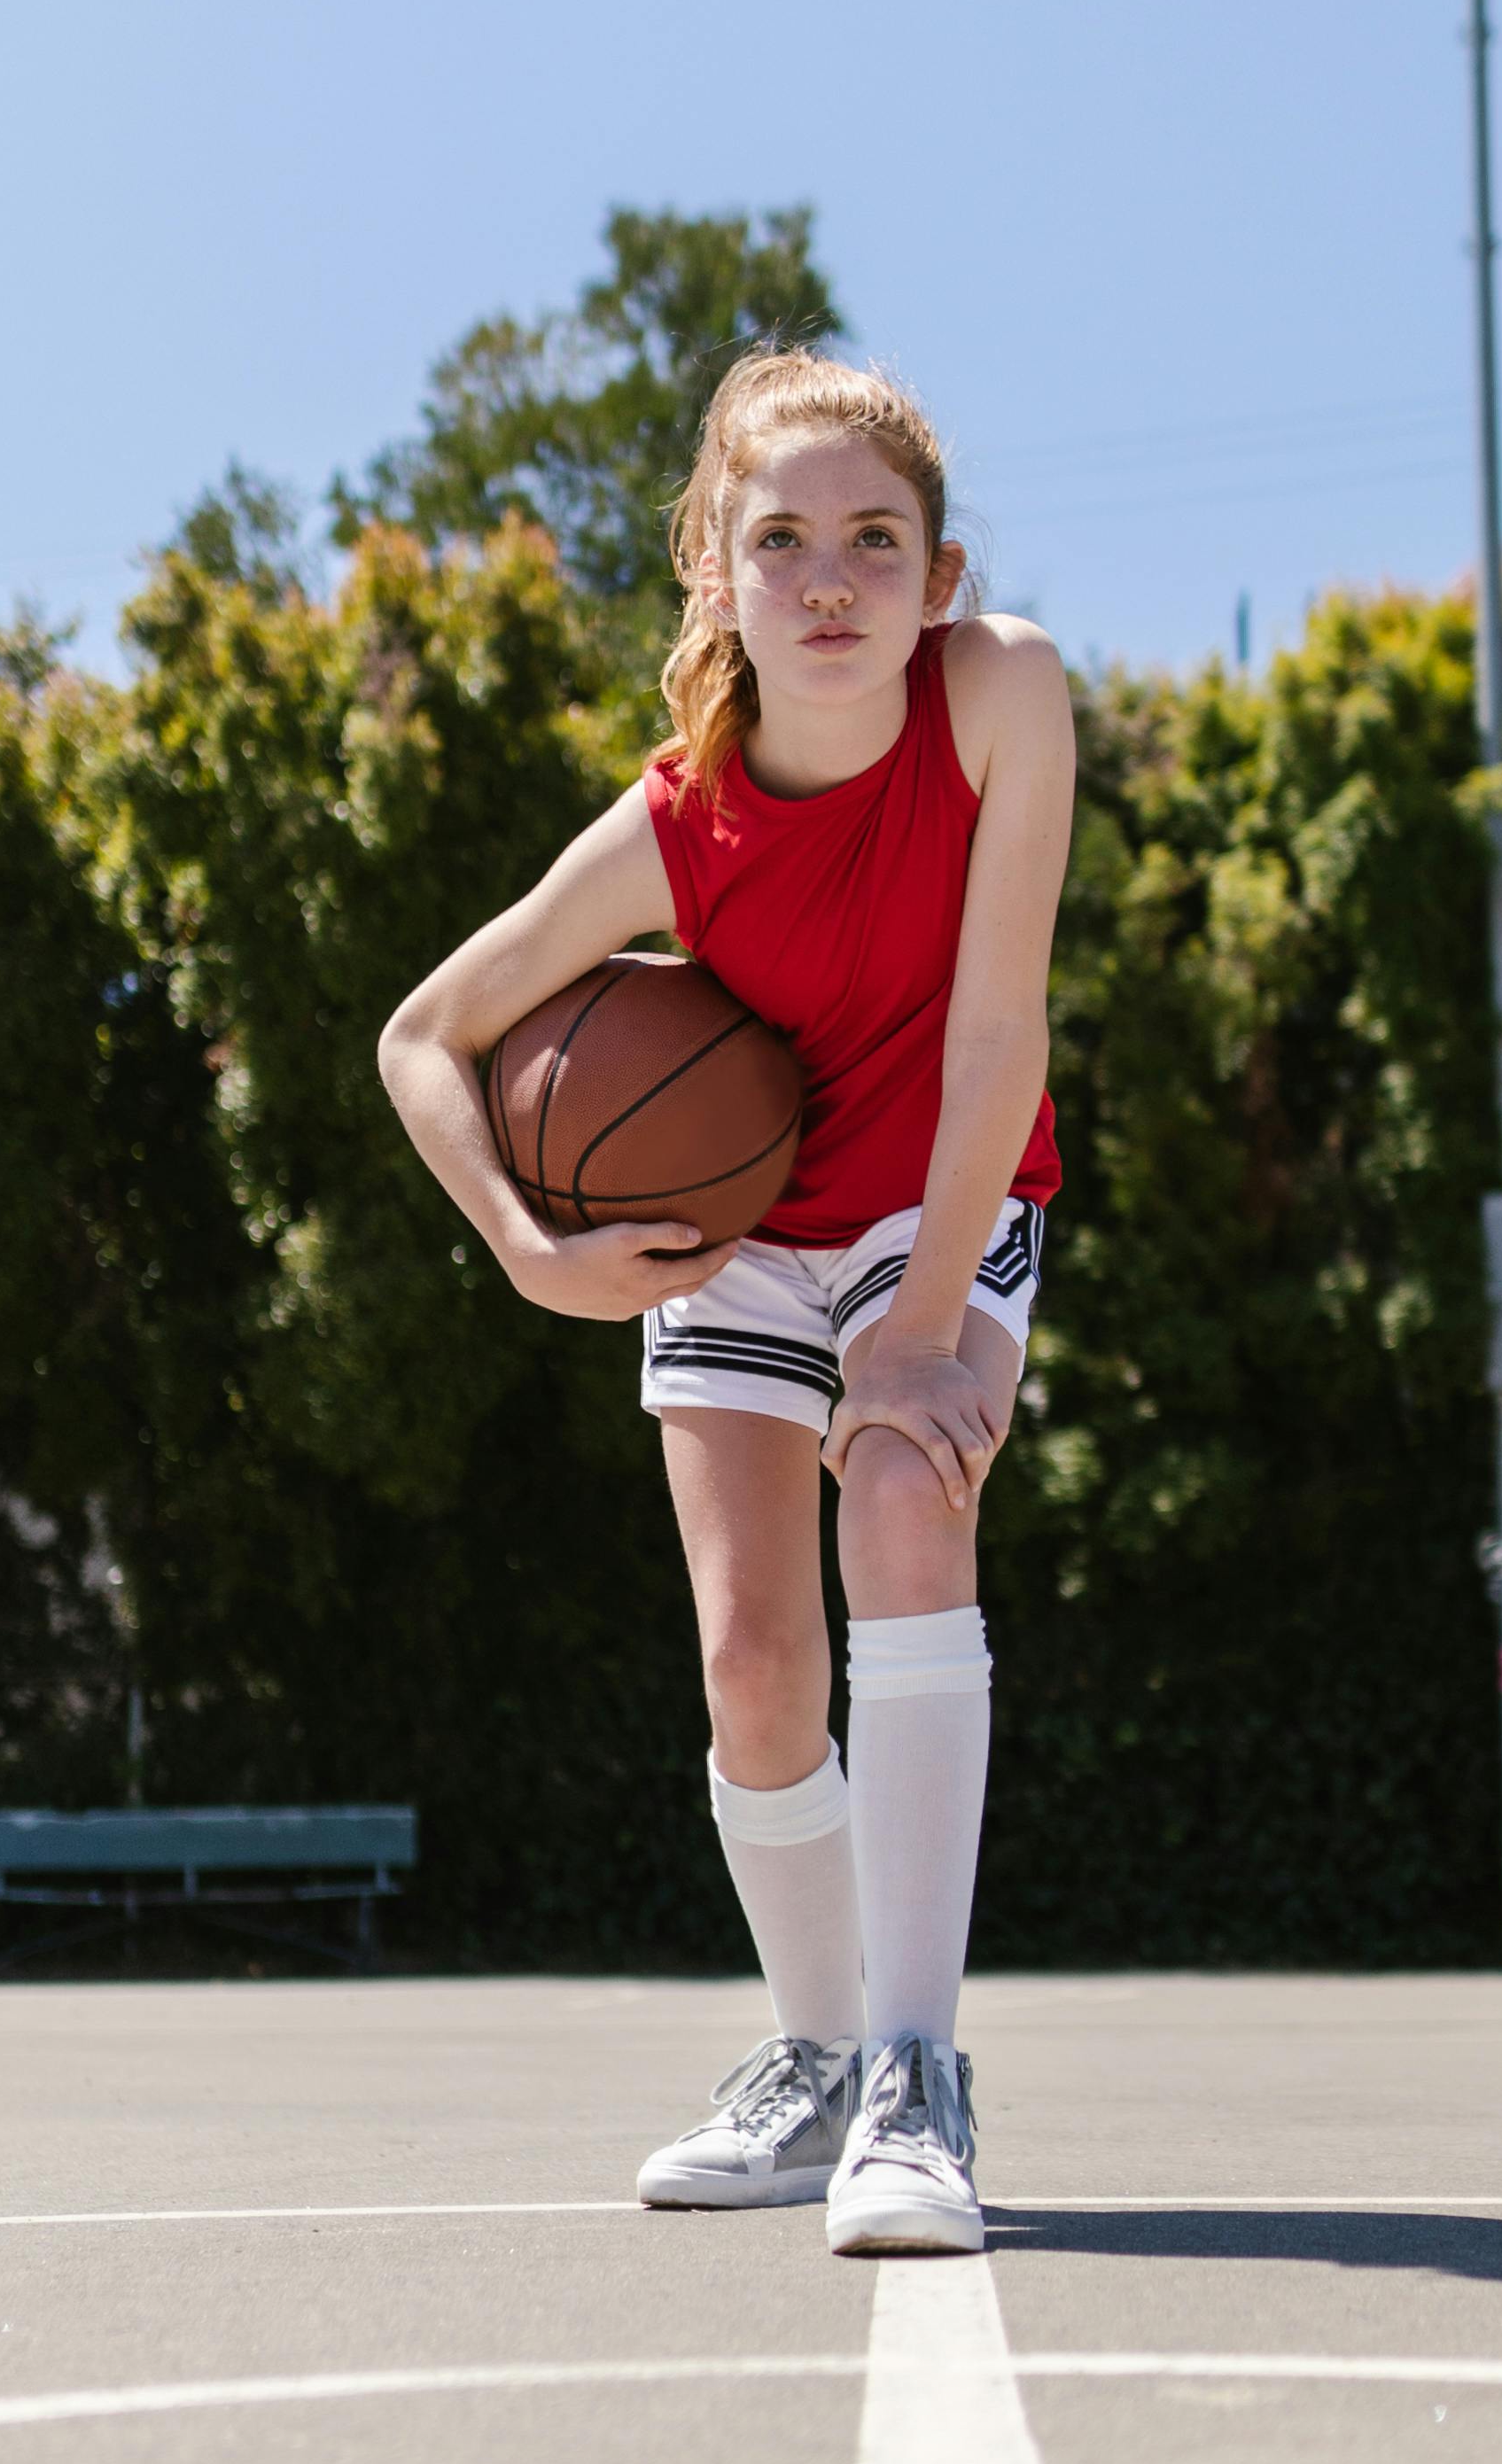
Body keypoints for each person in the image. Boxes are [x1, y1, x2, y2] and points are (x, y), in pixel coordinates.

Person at [377, 351, 1074, 2253]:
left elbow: (1000, 1027)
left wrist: (924, 1325)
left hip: (938, 1191)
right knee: (758, 1662)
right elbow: (423, 1035)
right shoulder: (675, 820)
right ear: (715, 569)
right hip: (743, 1229)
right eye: (781, 539)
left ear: (938, 576)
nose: (830, 576)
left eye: (874, 538)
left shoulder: (999, 690)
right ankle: (815, 2054)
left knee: (912, 1505)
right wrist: (535, 1249)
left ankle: (918, 2078)